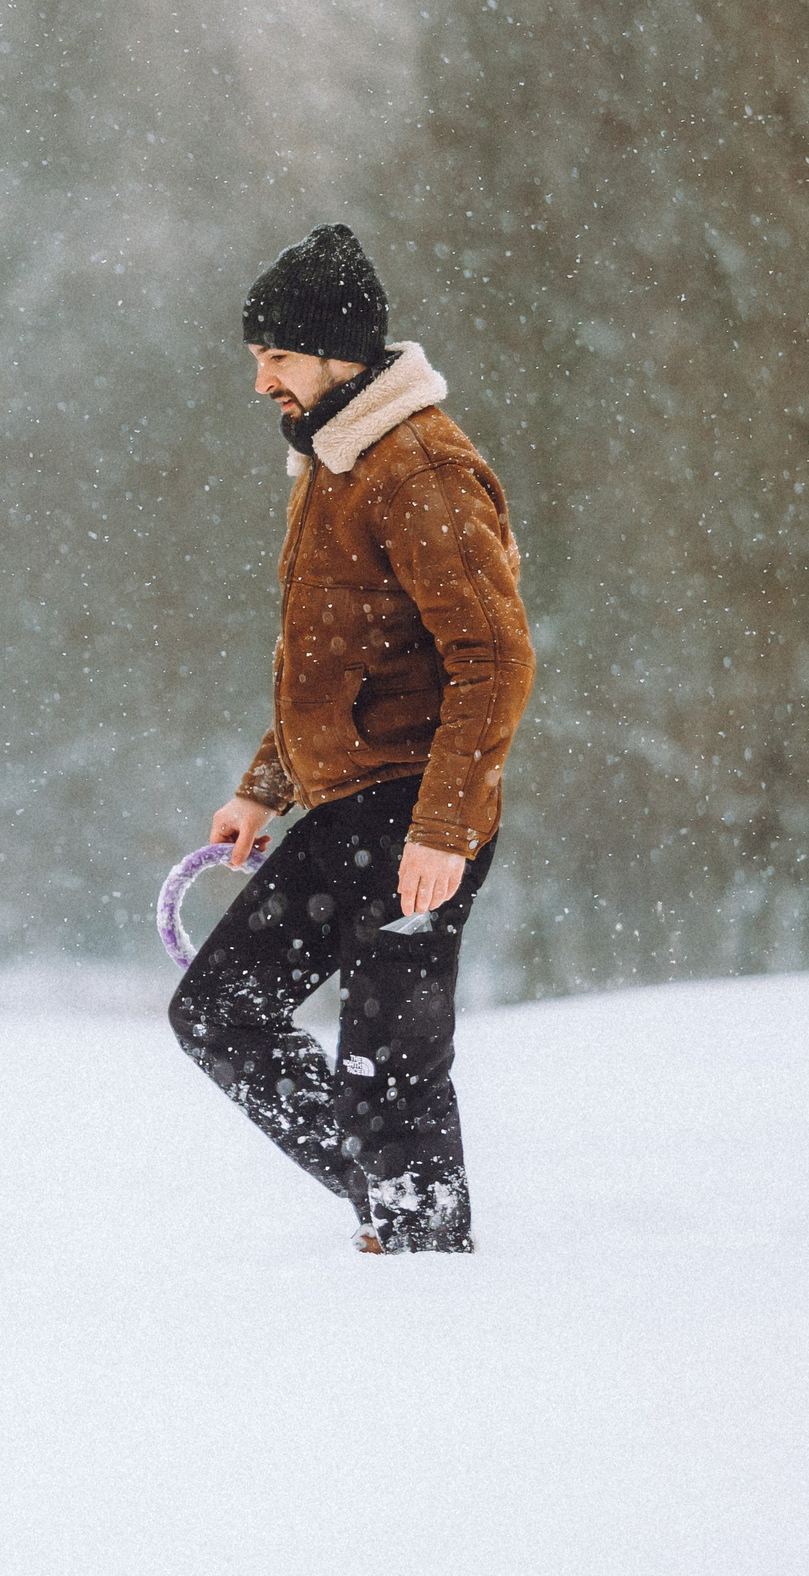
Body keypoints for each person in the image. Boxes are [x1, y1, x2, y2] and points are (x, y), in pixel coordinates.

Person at [168, 224, 534, 1254]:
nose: (261, 384)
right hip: (348, 809)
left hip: (415, 815)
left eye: (274, 358)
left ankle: (422, 1265)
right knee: (219, 1012)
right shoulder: (338, 461)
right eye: (256, 359)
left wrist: (443, 832)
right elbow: (338, 663)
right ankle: (390, 1203)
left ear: (336, 352)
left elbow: (492, 662)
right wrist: (264, 788)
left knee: (390, 1069)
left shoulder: (417, 470)